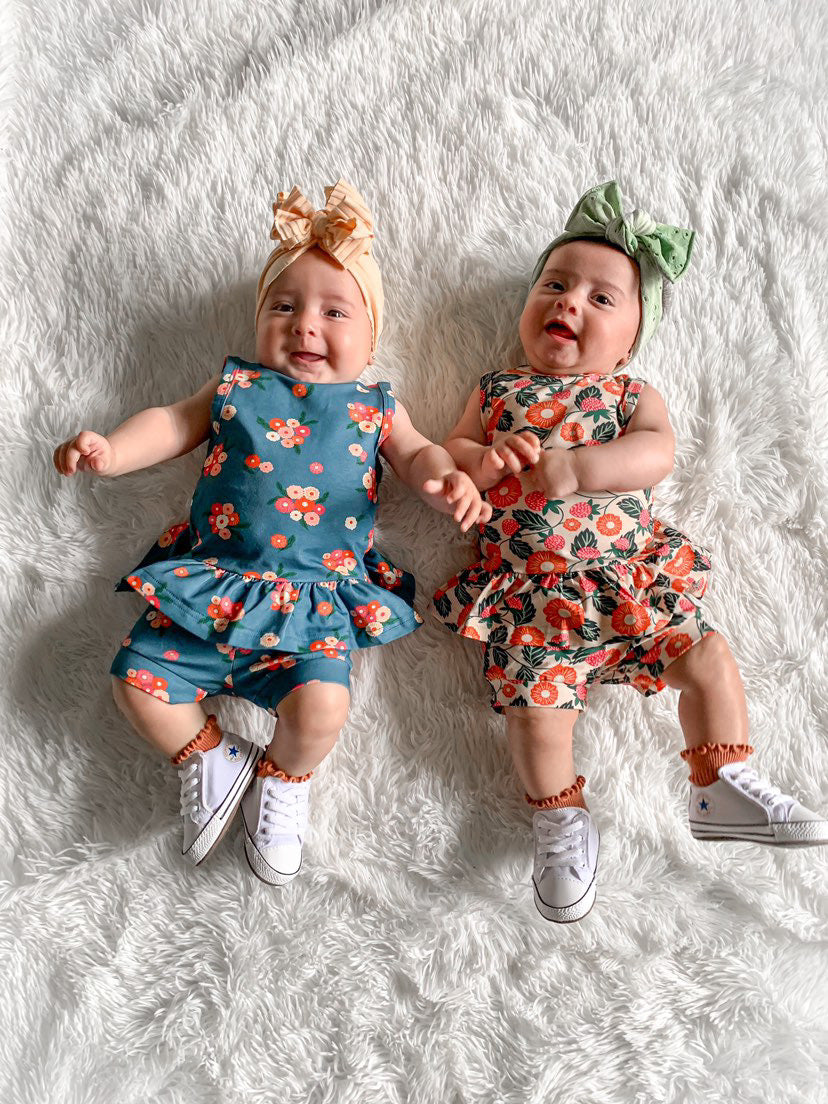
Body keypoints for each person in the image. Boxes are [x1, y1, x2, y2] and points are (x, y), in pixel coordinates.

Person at [54, 178, 490, 886]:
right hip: (212, 588)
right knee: (136, 682)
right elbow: (170, 423)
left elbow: (416, 455)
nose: (305, 325)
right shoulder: (234, 386)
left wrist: (445, 480)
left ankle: (285, 782)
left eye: (334, 311)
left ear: (371, 337)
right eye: (283, 307)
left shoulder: (376, 407)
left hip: (315, 603)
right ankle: (212, 756)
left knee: (323, 708)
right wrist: (112, 448)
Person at [431, 180, 828, 924]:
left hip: (628, 585)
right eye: (553, 285)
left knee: (707, 659)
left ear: (633, 337)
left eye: (602, 298)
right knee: (536, 718)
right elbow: (454, 449)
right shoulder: (496, 392)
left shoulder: (626, 395)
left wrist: (581, 468)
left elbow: (657, 454)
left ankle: (722, 779)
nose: (569, 303)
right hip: (532, 602)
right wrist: (482, 462)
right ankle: (559, 820)